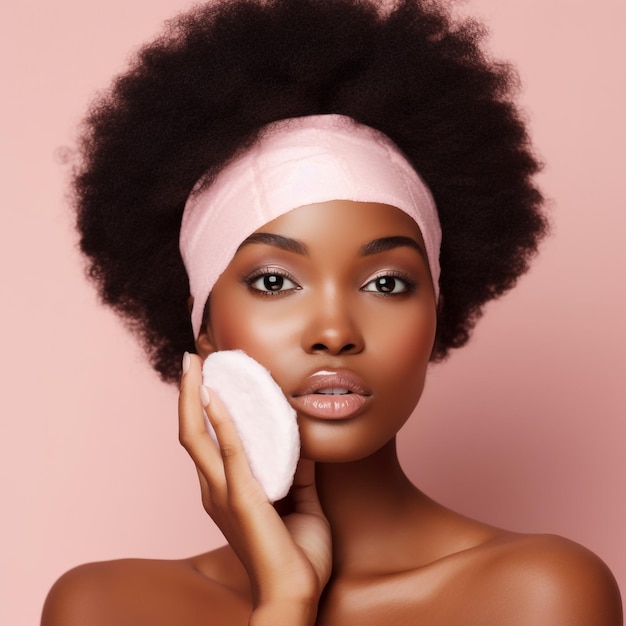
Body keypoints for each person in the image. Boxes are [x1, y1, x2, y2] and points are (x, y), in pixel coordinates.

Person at [41, 0, 622, 624]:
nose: (335, 332)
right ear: (202, 325)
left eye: (387, 284)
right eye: (273, 280)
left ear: (436, 313)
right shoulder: (102, 607)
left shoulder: (537, 595)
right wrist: (285, 601)